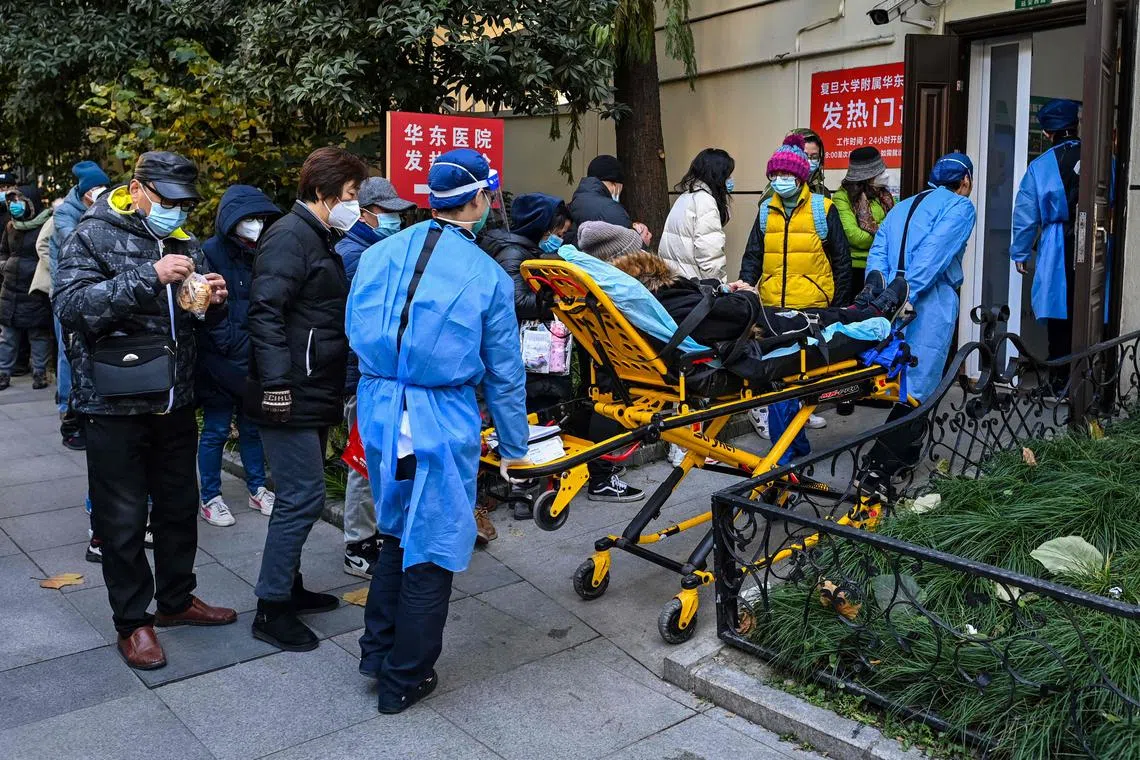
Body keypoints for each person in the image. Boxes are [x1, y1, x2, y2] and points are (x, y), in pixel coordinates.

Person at [347, 148, 529, 714]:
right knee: (433, 545)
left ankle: (377, 654)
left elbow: (352, 325)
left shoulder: (379, 253)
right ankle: (406, 676)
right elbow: (504, 370)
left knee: (396, 532)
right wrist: (515, 448)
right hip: (438, 416)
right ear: (478, 199)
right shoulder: (487, 274)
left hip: (379, 411)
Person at [54, 151, 237, 671]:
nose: (177, 212)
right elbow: (72, 308)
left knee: (180, 507)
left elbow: (187, 319)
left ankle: (177, 600)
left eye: (185, 204)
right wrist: (149, 276)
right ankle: (133, 622)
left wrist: (208, 299)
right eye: (167, 201)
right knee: (124, 517)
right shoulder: (93, 234)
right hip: (113, 402)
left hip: (174, 398)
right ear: (137, 190)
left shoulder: (184, 241)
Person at [246, 146, 369, 651]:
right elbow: (265, 312)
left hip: (310, 385)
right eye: (351, 194)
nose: (355, 204)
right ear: (322, 193)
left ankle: (288, 589)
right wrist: (276, 384)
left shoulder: (317, 235)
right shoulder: (291, 236)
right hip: (291, 390)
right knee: (303, 497)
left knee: (297, 496)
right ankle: (271, 609)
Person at [480, 198, 644, 512]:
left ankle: (539, 489)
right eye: (558, 230)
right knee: (535, 417)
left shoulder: (524, 250)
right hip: (530, 356)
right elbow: (517, 302)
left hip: (539, 356)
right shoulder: (515, 253)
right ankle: (528, 494)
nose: (559, 236)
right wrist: (556, 295)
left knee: (544, 414)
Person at [740, 134, 851, 440]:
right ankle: (779, 416)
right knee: (776, 361)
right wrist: (747, 291)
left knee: (805, 364)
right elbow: (753, 255)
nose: (779, 180)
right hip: (773, 300)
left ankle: (800, 411)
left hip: (812, 301)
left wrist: (836, 304)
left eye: (786, 175)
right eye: (774, 175)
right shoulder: (765, 210)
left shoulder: (822, 208)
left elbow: (841, 259)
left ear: (801, 176)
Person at [336, 176, 415, 577]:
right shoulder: (355, 255)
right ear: (367, 212)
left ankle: (373, 536)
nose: (396, 221)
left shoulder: (375, 249)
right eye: (389, 213)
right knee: (364, 464)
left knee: (378, 462)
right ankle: (358, 545)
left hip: (375, 377)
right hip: (363, 378)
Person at [196, 185, 282, 527]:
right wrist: (231, 344)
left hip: (254, 358)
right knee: (216, 429)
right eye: (249, 219)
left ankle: (258, 487)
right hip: (220, 359)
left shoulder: (266, 250)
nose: (256, 224)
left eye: (260, 218)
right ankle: (210, 496)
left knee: (252, 428)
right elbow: (205, 308)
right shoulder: (210, 252)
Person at [867, 152, 978, 402]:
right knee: (918, 388)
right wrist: (907, 295)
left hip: (890, 302)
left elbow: (877, 255)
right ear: (966, 180)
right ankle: (905, 440)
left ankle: (891, 437)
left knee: (891, 381)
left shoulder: (901, 207)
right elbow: (933, 255)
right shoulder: (960, 206)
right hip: (930, 300)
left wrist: (884, 297)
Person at [1010, 98, 1082, 370]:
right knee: (1089, 309)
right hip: (1096, 242)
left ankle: (1059, 375)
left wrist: (1020, 251)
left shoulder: (1041, 166)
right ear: (1075, 125)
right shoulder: (1100, 158)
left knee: (1058, 309)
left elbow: (1026, 214)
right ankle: (1089, 379)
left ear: (1047, 132)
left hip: (1056, 244)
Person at [51, 160, 111, 447]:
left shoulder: (104, 205)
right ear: (84, 192)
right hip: (68, 291)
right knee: (68, 351)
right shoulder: (65, 213)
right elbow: (73, 243)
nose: (102, 192)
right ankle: (67, 408)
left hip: (97, 289)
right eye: (97, 189)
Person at [0, 186, 54, 390]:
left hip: (34, 287)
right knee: (7, 336)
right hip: (10, 288)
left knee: (38, 334)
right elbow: (3, 251)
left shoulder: (46, 225)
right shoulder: (11, 226)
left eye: (19, 201)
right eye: (12, 201)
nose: (14, 206)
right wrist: (4, 266)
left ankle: (39, 373)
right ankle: (3, 372)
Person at [658, 148, 735, 283]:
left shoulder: (684, 198)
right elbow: (709, 255)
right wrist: (718, 286)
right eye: (728, 175)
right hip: (694, 286)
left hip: (676, 282)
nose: (730, 180)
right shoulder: (705, 202)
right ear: (718, 175)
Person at [832, 146, 895, 300]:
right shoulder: (842, 197)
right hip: (854, 271)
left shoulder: (884, 197)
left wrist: (879, 232)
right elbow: (854, 237)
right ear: (867, 176)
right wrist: (884, 236)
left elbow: (896, 227)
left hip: (882, 267)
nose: (885, 175)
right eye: (880, 172)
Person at [566, 154, 652, 247]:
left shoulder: (577, 200)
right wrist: (642, 240)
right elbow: (630, 250)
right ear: (615, 185)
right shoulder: (611, 210)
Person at [761, 129, 831, 201]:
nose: (809, 161)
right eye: (804, 156)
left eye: (814, 157)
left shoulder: (823, 192)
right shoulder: (779, 189)